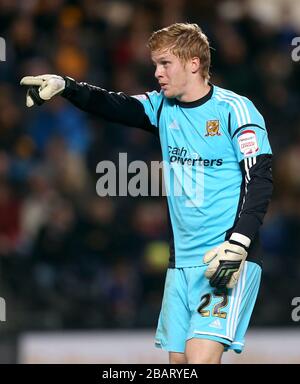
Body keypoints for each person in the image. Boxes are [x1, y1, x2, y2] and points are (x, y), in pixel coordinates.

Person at [20, 23, 273, 364]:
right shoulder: (161, 107)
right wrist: (67, 87)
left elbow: (259, 178)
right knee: (178, 366)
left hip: (225, 257)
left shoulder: (235, 110)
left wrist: (239, 243)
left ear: (194, 64)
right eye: (155, 64)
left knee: (201, 361)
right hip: (181, 262)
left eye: (165, 63)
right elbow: (114, 105)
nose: (157, 73)